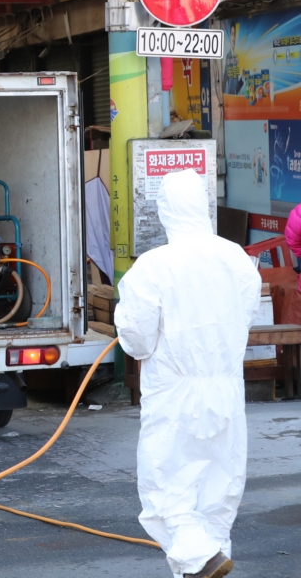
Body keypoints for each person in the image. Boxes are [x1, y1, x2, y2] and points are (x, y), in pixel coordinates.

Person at [115, 169, 260, 578]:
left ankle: (200, 561)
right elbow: (244, 319)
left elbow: (138, 341)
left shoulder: (154, 265)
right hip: (227, 390)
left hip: (175, 393)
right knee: (217, 495)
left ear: (165, 210)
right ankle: (207, 562)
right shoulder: (238, 259)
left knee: (167, 493)